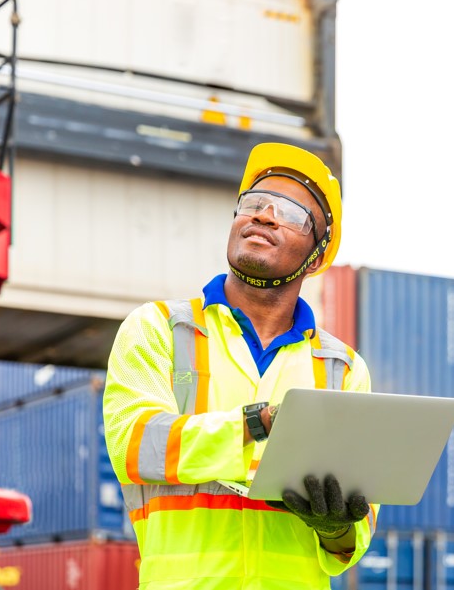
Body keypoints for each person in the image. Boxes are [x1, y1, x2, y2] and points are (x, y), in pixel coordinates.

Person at [103, 143, 378, 589]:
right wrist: (257, 423)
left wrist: (335, 528)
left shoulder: (343, 369)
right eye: (252, 204)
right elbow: (136, 446)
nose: (264, 215)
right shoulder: (158, 329)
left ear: (316, 254)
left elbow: (356, 534)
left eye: (290, 213)